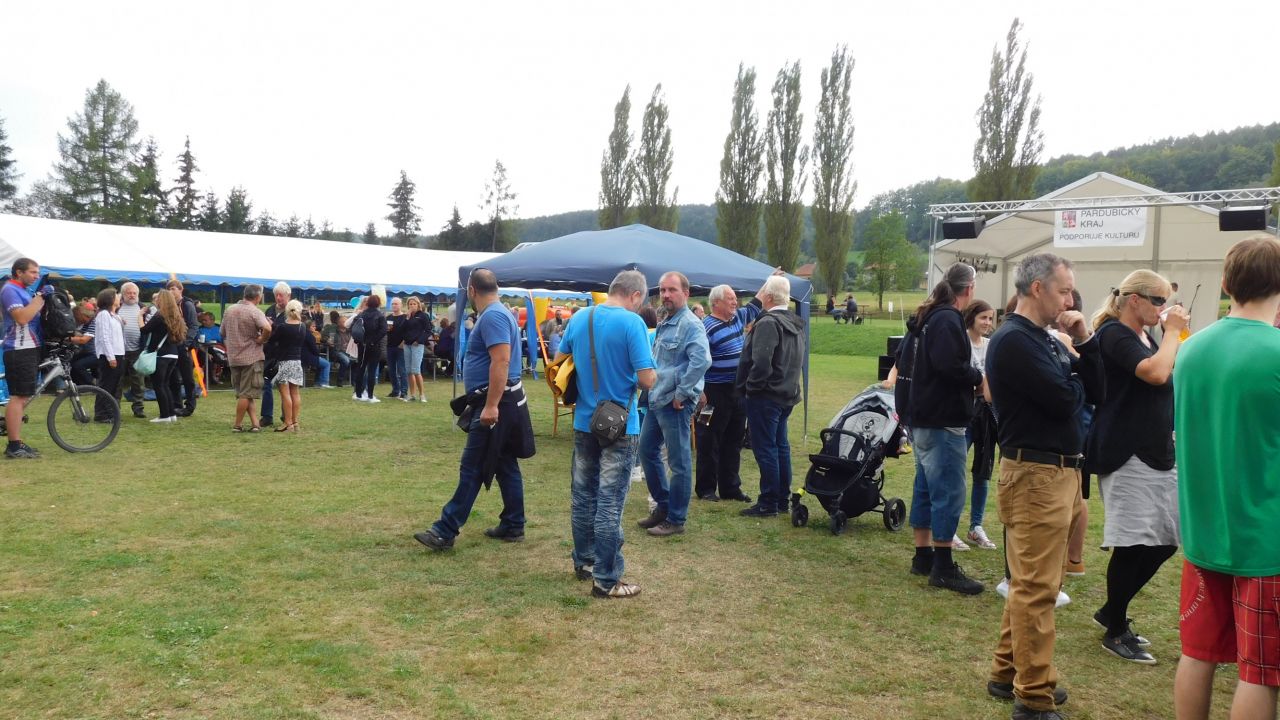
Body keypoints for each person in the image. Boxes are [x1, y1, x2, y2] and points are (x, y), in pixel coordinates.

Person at [985, 253, 1103, 719]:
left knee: (1034, 582)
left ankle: (1006, 671)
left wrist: (1084, 341)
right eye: (1064, 290)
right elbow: (1062, 401)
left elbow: (1095, 392)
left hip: (1058, 473)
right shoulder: (1016, 340)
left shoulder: (1044, 339)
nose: (1070, 301)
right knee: (1036, 588)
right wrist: (1073, 379)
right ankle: (1033, 698)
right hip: (1036, 475)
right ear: (1037, 289)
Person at [1173, 235, 1280, 720]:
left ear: (1225, 282)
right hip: (1265, 539)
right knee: (1260, 673)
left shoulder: (1191, 349)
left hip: (1204, 530)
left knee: (1197, 653)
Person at [1085, 270, 1187, 666]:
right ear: (1135, 300)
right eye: (1158, 301)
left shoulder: (1146, 336)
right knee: (1132, 544)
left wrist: (1171, 336)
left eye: (1165, 302)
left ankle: (1112, 610)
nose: (1164, 308)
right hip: (1126, 451)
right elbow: (1157, 373)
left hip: (1157, 450)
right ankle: (1116, 629)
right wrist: (1173, 332)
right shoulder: (1114, 334)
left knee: (1166, 540)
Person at [414, 269, 533, 551]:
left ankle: (445, 531)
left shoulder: (492, 316)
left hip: (496, 402)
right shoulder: (499, 313)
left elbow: (501, 361)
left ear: (471, 291)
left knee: (473, 466)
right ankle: (513, 523)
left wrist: (491, 405)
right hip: (500, 399)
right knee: (504, 463)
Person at [554, 269, 655, 598]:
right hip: (621, 424)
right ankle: (606, 579)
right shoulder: (632, 323)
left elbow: (559, 362)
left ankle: (585, 561)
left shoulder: (579, 317)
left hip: (585, 419)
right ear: (635, 295)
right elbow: (646, 379)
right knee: (610, 502)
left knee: (583, 496)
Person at [898, 263, 985, 594]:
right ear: (969, 288)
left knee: (925, 487)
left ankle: (923, 556)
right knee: (948, 491)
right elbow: (950, 366)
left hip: (921, 415)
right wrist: (978, 378)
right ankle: (944, 567)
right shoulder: (948, 318)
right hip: (941, 418)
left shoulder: (928, 316)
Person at [637, 271, 712, 537]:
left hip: (674, 403)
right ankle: (664, 506)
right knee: (647, 451)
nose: (666, 295)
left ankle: (676, 519)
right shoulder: (666, 321)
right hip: (657, 398)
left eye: (672, 290)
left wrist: (682, 393)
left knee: (679, 462)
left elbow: (702, 361)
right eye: (663, 290)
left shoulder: (691, 324)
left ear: (686, 293)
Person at [736, 275, 805, 518]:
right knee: (780, 447)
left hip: (766, 396)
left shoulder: (768, 323)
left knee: (766, 449)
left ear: (767, 296)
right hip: (785, 393)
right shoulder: (794, 322)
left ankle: (768, 502)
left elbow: (762, 362)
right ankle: (781, 499)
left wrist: (751, 389)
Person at [695, 282, 766, 503]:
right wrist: (699, 391)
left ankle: (730, 487)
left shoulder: (737, 318)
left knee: (734, 439)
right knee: (708, 440)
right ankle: (706, 489)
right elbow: (696, 360)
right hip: (712, 392)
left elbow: (756, 303)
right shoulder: (705, 327)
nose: (735, 302)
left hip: (737, 390)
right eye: (730, 298)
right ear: (716, 302)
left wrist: (769, 281)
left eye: (735, 298)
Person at [3, 259, 47, 459]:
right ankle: (14, 446)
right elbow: (21, 318)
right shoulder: (10, 290)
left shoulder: (22, 290)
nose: (36, 276)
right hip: (19, 348)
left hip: (28, 348)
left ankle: (17, 442)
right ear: (19, 272)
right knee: (19, 397)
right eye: (32, 272)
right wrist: (38, 300)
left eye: (37, 272)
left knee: (23, 396)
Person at [962, 299, 998, 551]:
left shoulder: (991, 345)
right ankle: (947, 527)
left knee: (982, 473)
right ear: (972, 317)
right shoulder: (961, 342)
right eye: (983, 317)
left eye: (990, 318)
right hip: (964, 413)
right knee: (955, 471)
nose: (987, 323)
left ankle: (976, 526)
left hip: (987, 414)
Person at [222, 284, 272, 432]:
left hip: (234, 357)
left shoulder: (229, 310)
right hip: (251, 357)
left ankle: (255, 424)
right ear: (258, 296)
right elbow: (267, 328)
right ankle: (237, 425)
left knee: (245, 393)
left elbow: (222, 332)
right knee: (246, 393)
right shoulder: (255, 311)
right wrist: (262, 339)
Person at [140, 290, 188, 424]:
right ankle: (171, 414)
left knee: (159, 385)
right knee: (165, 385)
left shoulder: (159, 316)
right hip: (173, 354)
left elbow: (144, 330)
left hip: (160, 355)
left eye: (158, 299)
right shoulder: (176, 316)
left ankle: (164, 415)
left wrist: (140, 316)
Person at [267, 299, 307, 432]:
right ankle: (295, 422)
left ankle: (287, 423)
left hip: (284, 362)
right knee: (295, 393)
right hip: (297, 362)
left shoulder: (283, 327)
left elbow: (272, 340)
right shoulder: (302, 326)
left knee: (285, 394)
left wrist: (272, 327)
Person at [165, 279, 199, 417]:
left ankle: (190, 406)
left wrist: (185, 344)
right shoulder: (168, 305)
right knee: (173, 376)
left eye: (174, 288)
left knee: (187, 377)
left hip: (185, 345)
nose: (171, 291)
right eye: (169, 289)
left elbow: (194, 326)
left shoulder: (187, 304)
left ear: (180, 290)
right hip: (172, 344)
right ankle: (176, 404)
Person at [116, 282, 150, 419]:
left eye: (134, 293)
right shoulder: (117, 308)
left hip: (137, 350)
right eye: (129, 293)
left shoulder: (143, 308)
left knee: (138, 382)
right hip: (120, 350)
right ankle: (115, 407)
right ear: (123, 294)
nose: (132, 295)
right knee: (117, 381)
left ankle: (138, 408)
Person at [259, 281, 291, 426]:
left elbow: (291, 332)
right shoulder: (270, 310)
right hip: (269, 353)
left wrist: (274, 326)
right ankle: (267, 416)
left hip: (285, 354)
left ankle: (286, 416)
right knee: (265, 384)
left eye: (281, 295)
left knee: (285, 386)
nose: (278, 298)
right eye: (276, 295)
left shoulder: (292, 311)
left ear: (288, 295)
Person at [91, 288, 125, 423]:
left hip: (119, 353)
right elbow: (104, 337)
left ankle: (110, 412)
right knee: (107, 385)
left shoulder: (113, 315)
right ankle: (102, 414)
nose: (119, 297)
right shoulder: (104, 314)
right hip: (110, 355)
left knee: (114, 386)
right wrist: (111, 357)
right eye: (116, 296)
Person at [348, 294, 386, 402]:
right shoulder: (380, 315)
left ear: (368, 303)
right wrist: (373, 341)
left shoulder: (361, 314)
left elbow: (352, 328)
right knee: (372, 371)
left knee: (361, 369)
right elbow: (383, 330)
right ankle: (370, 396)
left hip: (362, 345)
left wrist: (358, 340)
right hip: (374, 346)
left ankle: (358, 394)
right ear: (378, 303)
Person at [402, 296, 430, 402]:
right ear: (408, 305)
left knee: (416, 370)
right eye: (410, 304)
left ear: (418, 305)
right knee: (409, 371)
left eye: (414, 304)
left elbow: (428, 330)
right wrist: (407, 317)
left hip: (417, 345)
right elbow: (402, 329)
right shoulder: (407, 316)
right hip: (407, 345)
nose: (412, 306)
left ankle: (422, 395)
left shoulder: (423, 316)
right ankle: (412, 395)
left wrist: (419, 340)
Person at [321, 310, 351, 388]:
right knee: (346, 360)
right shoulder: (333, 330)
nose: (346, 323)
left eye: (347, 321)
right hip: (336, 351)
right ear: (339, 323)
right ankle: (340, 381)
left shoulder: (349, 331)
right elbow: (323, 338)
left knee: (358, 360)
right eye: (344, 322)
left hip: (348, 351)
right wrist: (327, 340)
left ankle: (354, 381)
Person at [385, 297, 407, 400]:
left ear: (401, 305)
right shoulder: (388, 318)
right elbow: (385, 331)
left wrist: (403, 342)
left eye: (396, 304)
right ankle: (395, 390)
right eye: (393, 304)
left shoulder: (405, 317)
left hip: (401, 347)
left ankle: (404, 391)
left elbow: (408, 331)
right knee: (391, 370)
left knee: (402, 370)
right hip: (390, 346)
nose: (394, 305)